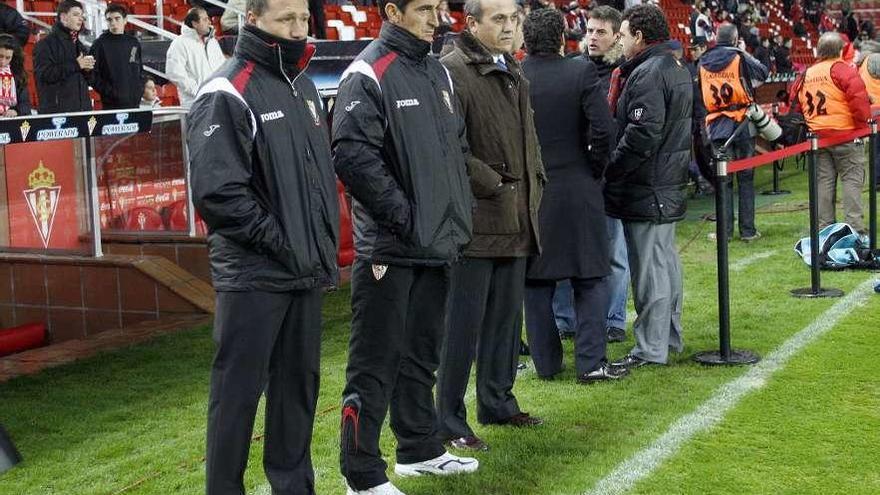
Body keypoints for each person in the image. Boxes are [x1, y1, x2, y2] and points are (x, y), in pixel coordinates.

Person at [187, 0, 340, 493]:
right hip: (253, 275)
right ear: (252, 19)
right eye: (285, 20)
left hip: (302, 270)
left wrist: (309, 250)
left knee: (298, 391)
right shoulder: (225, 91)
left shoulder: (302, 86)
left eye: (302, 19)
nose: (298, 30)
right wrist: (284, 243)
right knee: (237, 395)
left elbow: (316, 181)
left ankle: (294, 487)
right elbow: (218, 193)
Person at [332, 0, 478, 491]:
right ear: (392, 10)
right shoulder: (367, 73)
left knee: (421, 353)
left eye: (439, 7)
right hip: (389, 250)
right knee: (374, 363)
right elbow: (353, 159)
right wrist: (408, 217)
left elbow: (455, 147)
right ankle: (361, 473)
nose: (437, 18)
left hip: (436, 243)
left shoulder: (437, 71)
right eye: (424, 8)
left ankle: (419, 448)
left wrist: (453, 214)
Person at [436, 0, 546, 453]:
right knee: (461, 328)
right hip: (477, 220)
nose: (508, 27)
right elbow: (449, 148)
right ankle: (448, 419)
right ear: (472, 23)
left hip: (516, 215)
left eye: (514, 19)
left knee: (504, 320)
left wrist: (533, 185)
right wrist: (495, 183)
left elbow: (527, 141)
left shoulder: (512, 68)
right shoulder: (450, 70)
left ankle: (498, 401)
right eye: (498, 18)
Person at [521, 7, 626, 383]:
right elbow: (604, 129)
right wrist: (593, 170)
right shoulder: (580, 70)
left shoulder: (516, 75)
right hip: (578, 185)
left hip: (532, 192)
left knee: (535, 282)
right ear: (564, 34)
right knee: (591, 276)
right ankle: (591, 363)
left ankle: (547, 365)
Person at [606, 4, 692, 369]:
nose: (621, 42)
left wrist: (613, 169)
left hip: (649, 185)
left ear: (639, 36)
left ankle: (650, 349)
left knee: (651, 271)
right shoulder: (675, 66)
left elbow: (643, 133)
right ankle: (667, 338)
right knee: (665, 264)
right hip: (666, 182)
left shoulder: (648, 73)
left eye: (623, 35)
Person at [563, 3, 627, 344]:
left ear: (617, 35)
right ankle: (568, 321)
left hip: (609, 174)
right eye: (589, 30)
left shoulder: (624, 72)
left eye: (600, 31)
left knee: (614, 252)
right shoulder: (573, 68)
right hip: (577, 174)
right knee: (568, 251)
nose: (592, 37)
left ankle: (615, 318)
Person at [793, 32, 870, 236]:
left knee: (823, 183)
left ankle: (824, 229)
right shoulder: (843, 70)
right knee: (851, 180)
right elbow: (859, 102)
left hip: (818, 138)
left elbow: (796, 102)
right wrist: (863, 129)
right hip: (845, 134)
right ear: (840, 50)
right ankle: (855, 229)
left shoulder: (807, 73)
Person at [698, 23, 767, 242]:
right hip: (742, 122)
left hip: (717, 124)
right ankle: (748, 231)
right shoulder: (739, 57)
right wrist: (743, 51)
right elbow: (763, 73)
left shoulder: (703, 61)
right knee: (746, 178)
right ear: (736, 39)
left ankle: (724, 232)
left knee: (723, 179)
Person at [33, 0, 93, 113]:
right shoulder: (45, 44)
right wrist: (76, 65)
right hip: (57, 116)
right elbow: (44, 75)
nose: (81, 19)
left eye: (82, 15)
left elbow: (86, 81)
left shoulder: (80, 46)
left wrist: (88, 71)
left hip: (83, 113)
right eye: (76, 15)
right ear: (64, 17)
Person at [165, 7, 225, 108]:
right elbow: (174, 73)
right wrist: (197, 90)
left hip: (216, 99)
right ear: (194, 24)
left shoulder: (212, 42)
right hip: (194, 103)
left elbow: (222, 66)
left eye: (208, 18)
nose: (209, 22)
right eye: (205, 19)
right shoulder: (179, 43)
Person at [90, 4, 143, 109]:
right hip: (111, 104)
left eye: (117, 18)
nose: (113, 23)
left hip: (134, 102)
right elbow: (91, 75)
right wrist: (109, 92)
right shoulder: (99, 44)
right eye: (109, 20)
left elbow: (138, 69)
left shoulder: (133, 42)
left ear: (125, 20)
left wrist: (138, 90)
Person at [0, 34, 31, 117]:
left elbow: (25, 104)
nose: (3, 62)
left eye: (8, 58)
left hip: (10, 123)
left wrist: (16, 112)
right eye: (0, 56)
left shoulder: (17, 75)